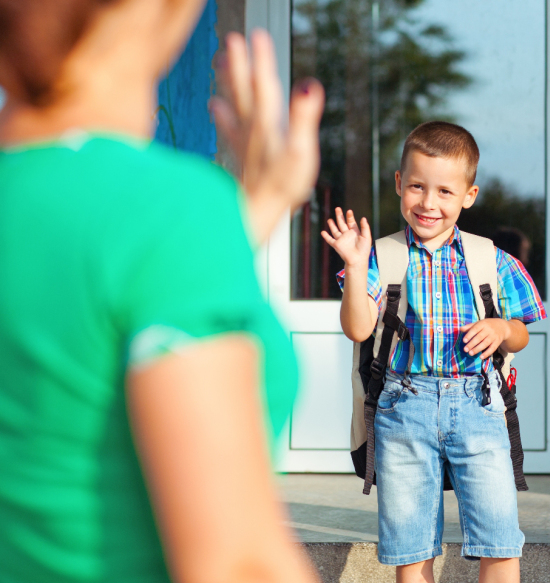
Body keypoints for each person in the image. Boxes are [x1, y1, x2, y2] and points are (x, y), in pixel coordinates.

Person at [0, 1, 324, 581]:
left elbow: (77, 309)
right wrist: (206, 224)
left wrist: (250, 214)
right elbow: (237, 564)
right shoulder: (170, 211)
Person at [321, 121, 546, 583]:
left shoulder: (491, 258)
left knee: (499, 540)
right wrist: (355, 264)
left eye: (445, 191)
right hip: (403, 408)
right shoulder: (380, 256)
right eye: (418, 187)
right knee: (412, 549)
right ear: (400, 184)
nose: (429, 202)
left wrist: (502, 327)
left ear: (469, 195)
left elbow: (522, 333)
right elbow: (357, 328)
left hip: (479, 406)